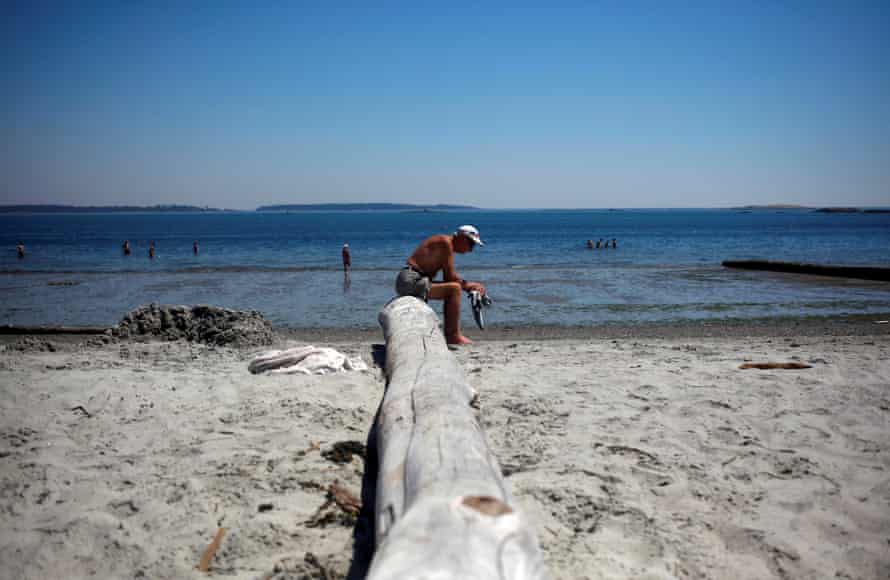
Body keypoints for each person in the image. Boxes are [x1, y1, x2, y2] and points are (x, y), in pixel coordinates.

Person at [395, 225, 486, 345]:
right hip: (411, 280)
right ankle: (453, 336)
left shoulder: (445, 243)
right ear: (463, 239)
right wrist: (470, 286)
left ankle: (447, 335)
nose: (471, 250)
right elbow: (450, 277)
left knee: (454, 287)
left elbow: (449, 278)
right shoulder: (445, 242)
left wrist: (468, 286)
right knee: (454, 289)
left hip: (414, 280)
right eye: (471, 245)